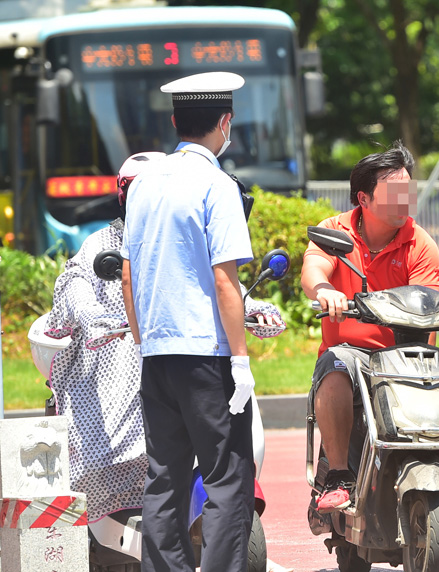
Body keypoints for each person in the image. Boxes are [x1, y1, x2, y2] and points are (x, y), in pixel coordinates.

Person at [301, 141, 439, 572]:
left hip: (408, 355)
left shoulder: (419, 242)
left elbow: (427, 300)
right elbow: (313, 268)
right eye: (393, 192)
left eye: (409, 191)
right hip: (353, 353)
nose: (405, 201)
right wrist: (326, 291)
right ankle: (337, 476)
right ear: (364, 198)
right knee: (335, 364)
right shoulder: (336, 231)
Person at [121, 71, 275, 572]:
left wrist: (145, 342)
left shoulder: (143, 184)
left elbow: (128, 274)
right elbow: (226, 281)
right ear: (224, 124)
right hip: (208, 358)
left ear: (174, 121)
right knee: (228, 478)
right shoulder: (217, 184)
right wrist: (241, 362)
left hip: (157, 356)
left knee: (163, 478)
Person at [44, 151, 164, 523]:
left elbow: (220, 280)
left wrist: (249, 302)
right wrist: (92, 315)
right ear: (126, 196)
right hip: (114, 354)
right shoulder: (100, 244)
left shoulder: (179, 239)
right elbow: (75, 284)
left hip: (179, 353)